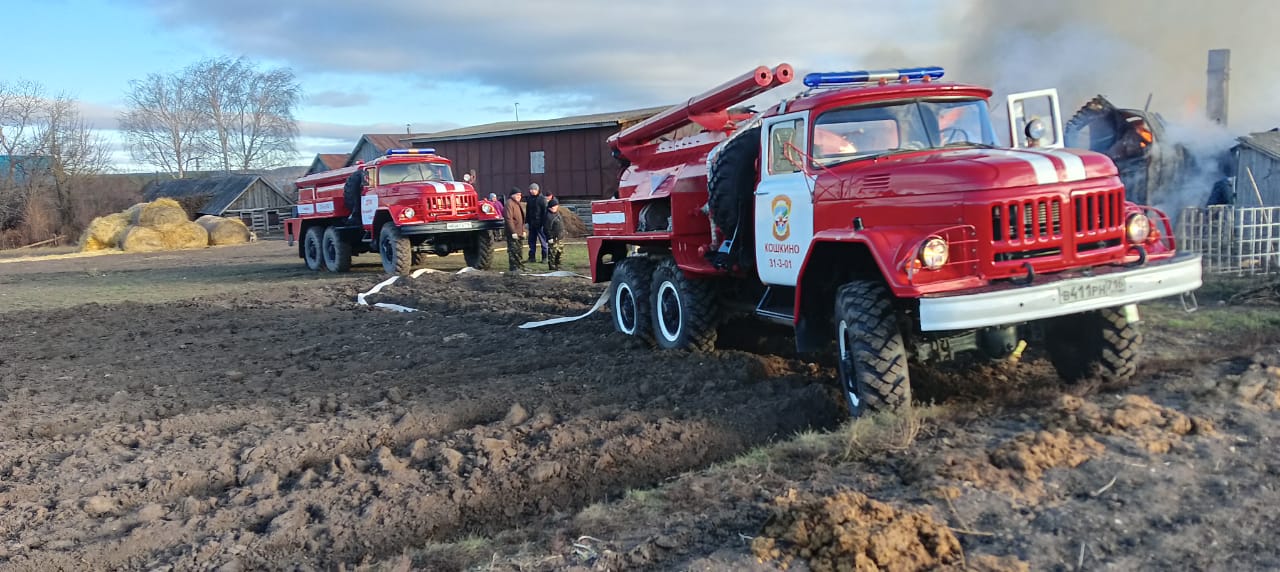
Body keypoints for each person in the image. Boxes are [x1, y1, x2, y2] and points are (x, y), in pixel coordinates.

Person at [525, 182, 549, 262]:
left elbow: (545, 212)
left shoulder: (542, 199)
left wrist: (544, 224)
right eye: (531, 189)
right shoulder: (529, 199)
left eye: (534, 189)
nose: (532, 191)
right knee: (531, 242)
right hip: (532, 225)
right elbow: (528, 212)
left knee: (543, 242)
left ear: (537, 190)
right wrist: (527, 222)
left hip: (540, 225)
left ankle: (544, 257)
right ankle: (532, 257)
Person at [505, 187, 526, 272]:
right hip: (513, 232)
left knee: (519, 250)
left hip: (519, 231)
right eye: (517, 195)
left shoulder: (518, 204)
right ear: (512, 195)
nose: (519, 196)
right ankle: (514, 268)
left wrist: (523, 230)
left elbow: (522, 218)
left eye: (520, 195)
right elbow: (508, 219)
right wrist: (513, 232)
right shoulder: (509, 204)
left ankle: (520, 267)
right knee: (513, 251)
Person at [545, 198, 566, 271]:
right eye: (554, 206)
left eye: (557, 206)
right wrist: (549, 237)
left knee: (559, 252)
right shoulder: (548, 216)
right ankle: (552, 266)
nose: (556, 207)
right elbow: (547, 228)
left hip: (559, 237)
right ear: (551, 207)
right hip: (553, 238)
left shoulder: (557, 213)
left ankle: (558, 264)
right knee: (552, 253)